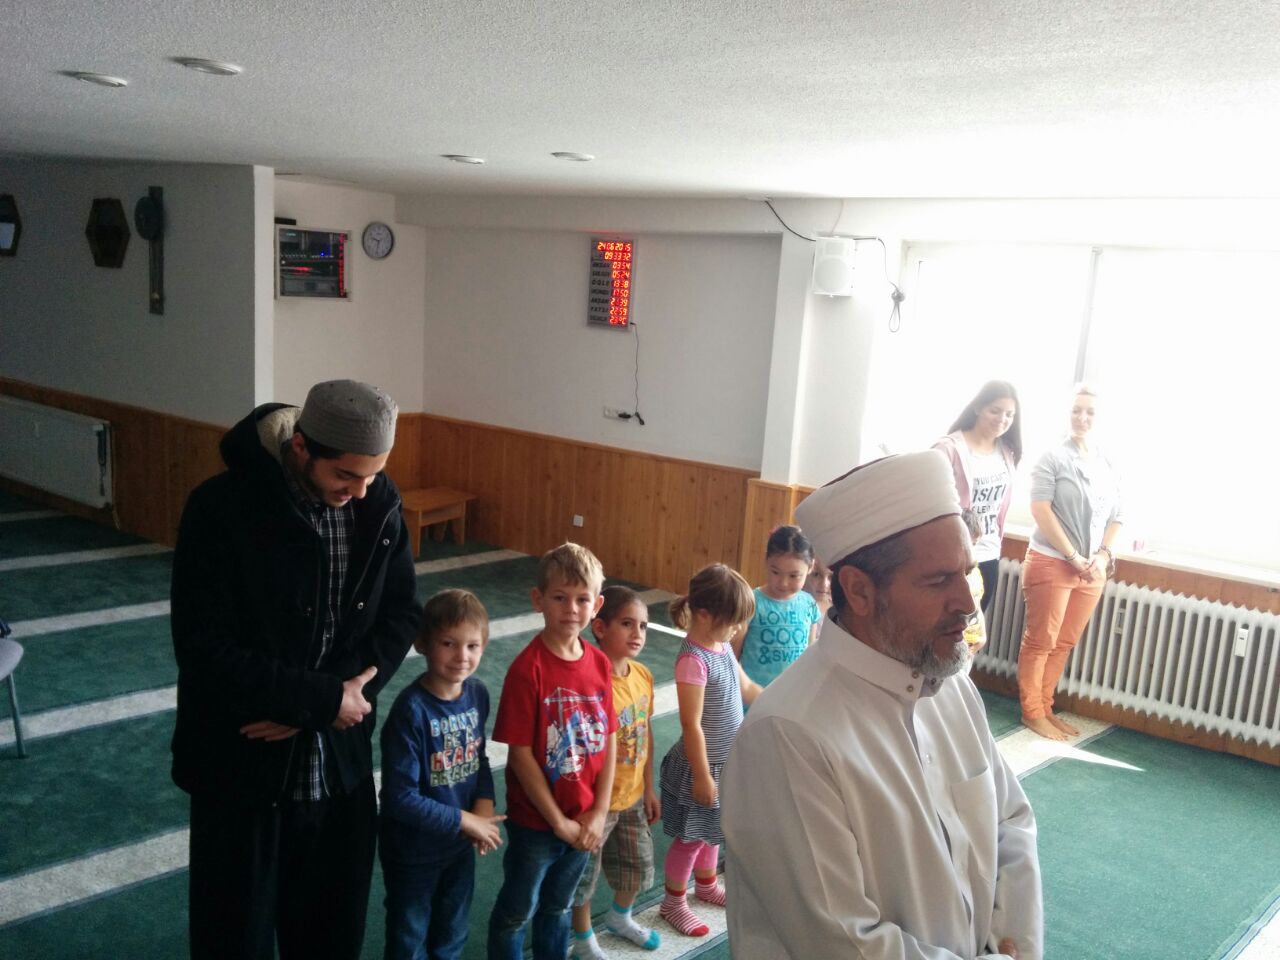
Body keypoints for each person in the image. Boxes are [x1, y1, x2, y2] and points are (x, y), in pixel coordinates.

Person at [721, 450, 1043, 960]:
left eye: (965, 573)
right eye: (938, 580)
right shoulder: (788, 734)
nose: (967, 603)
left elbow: (1011, 824)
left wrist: (1012, 947)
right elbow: (842, 941)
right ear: (859, 590)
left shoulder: (954, 689)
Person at [170, 379, 421, 960]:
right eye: (346, 476)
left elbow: (400, 613)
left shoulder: (377, 502)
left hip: (339, 766)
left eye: (373, 475)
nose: (360, 492)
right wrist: (319, 701)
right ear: (301, 447)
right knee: (236, 937)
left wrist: (324, 704)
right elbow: (204, 648)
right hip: (241, 765)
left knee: (331, 935)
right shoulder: (220, 508)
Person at [488, 543, 618, 960]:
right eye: (560, 597)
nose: (571, 609)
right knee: (517, 912)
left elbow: (609, 738)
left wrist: (599, 811)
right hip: (536, 823)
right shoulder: (527, 670)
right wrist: (557, 822)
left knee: (558, 907)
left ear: (597, 605)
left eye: (582, 599)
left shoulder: (599, 663)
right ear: (538, 600)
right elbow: (521, 755)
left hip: (584, 819)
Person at [379, 589, 505, 960]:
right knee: (409, 937)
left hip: (457, 846)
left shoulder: (477, 694)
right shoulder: (411, 711)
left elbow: (477, 757)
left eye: (472, 645)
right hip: (413, 851)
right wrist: (465, 820)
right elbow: (399, 798)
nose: (462, 656)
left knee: (452, 930)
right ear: (423, 643)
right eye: (449, 643)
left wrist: (483, 806)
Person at [659, 564, 763, 938]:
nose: (738, 629)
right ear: (704, 614)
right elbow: (691, 724)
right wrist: (703, 776)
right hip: (699, 767)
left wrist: (778, 702)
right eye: (733, 621)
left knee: (713, 831)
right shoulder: (694, 660)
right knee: (690, 839)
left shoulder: (720, 647)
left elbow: (746, 688)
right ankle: (673, 902)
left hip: (724, 763)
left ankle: (705, 885)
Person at [1018, 384, 1123, 742]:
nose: (1082, 418)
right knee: (1041, 641)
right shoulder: (1052, 457)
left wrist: (1102, 557)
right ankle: (1032, 712)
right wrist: (1074, 557)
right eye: (1076, 410)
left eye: (1090, 412)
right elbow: (1040, 509)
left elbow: (1118, 515)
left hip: (1093, 570)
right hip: (1052, 562)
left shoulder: (1108, 462)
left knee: (1064, 642)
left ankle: (1046, 706)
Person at [569, 586, 662, 959]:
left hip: (633, 795)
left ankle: (620, 917)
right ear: (600, 627)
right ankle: (583, 937)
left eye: (643, 625)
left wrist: (649, 787)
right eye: (627, 623)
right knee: (584, 876)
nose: (637, 633)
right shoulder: (592, 680)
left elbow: (646, 731)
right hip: (597, 802)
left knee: (637, 866)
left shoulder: (642, 675)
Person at [934, 380, 1022, 611]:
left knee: (976, 624)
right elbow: (929, 503)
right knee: (946, 622)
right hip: (953, 554)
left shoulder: (1007, 451)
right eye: (995, 411)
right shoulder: (948, 449)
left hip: (989, 552)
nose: (1002, 419)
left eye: (1009, 415)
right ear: (977, 408)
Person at [732, 525, 823, 687]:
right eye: (775, 572)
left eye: (794, 576)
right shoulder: (751, 602)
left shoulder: (808, 604)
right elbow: (732, 654)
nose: (783, 583)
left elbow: (809, 654)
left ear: (810, 567)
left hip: (793, 691)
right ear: (766, 561)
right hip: (754, 695)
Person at [961, 508, 988, 668]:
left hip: (971, 644)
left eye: (974, 544)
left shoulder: (975, 572)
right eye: (966, 544)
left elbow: (977, 607)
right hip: (956, 643)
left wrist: (982, 636)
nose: (971, 550)